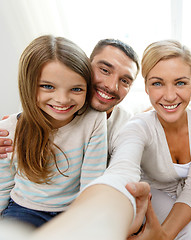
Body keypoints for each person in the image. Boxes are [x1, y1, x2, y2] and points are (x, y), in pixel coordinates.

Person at [28, 39, 191, 240]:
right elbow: (122, 171)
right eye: (157, 83)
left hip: (173, 199)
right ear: (146, 87)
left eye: (180, 82)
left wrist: (163, 236)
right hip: (124, 199)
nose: (170, 96)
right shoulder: (135, 125)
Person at [0, 38, 152, 235]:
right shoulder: (24, 119)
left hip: (75, 207)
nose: (112, 85)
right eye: (105, 70)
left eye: (125, 80)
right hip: (25, 208)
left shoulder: (115, 124)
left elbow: (99, 182)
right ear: (86, 67)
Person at [0, 35, 108, 227]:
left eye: (76, 89)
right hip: (25, 210)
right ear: (28, 84)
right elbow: (3, 185)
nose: (62, 99)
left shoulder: (94, 120)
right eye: (48, 86)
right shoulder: (9, 129)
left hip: (73, 209)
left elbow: (92, 184)